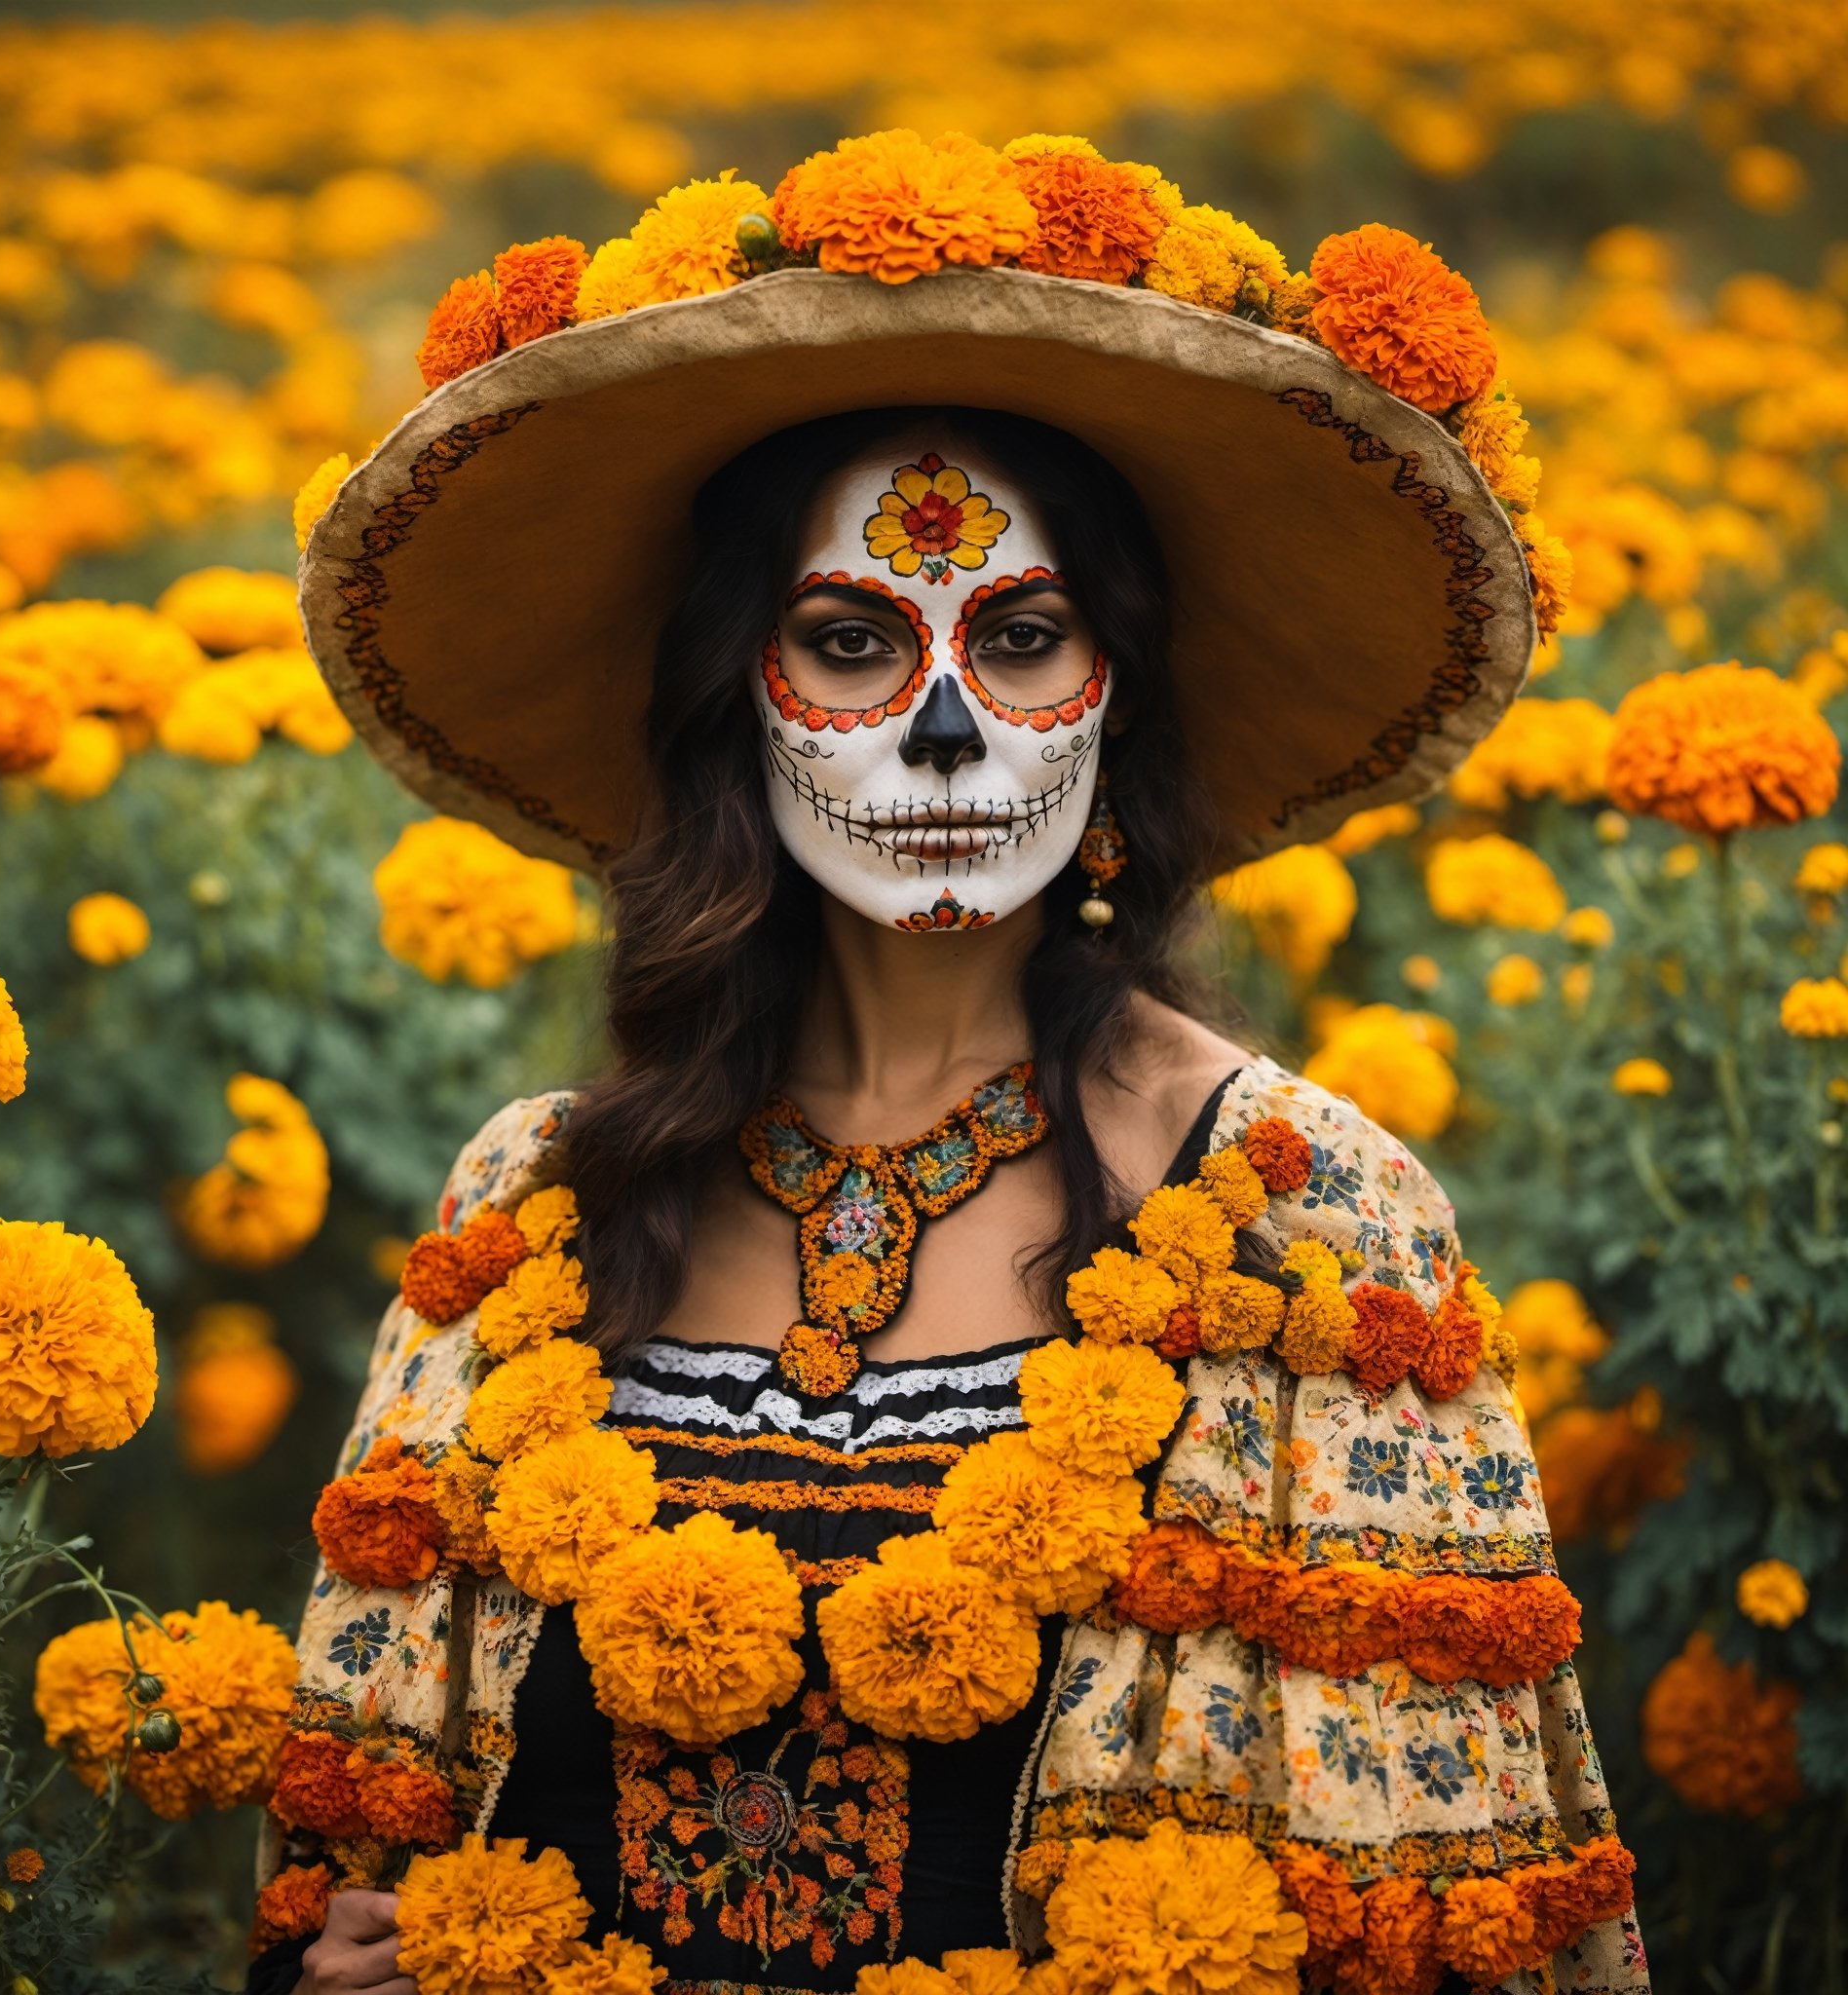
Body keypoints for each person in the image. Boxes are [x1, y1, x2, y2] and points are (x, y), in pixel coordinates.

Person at [251, 132, 1647, 1995]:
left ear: (1119, 693)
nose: (935, 736)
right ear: (724, 700)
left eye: (1022, 638)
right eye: (845, 643)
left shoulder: (1305, 1225)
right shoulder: (537, 1209)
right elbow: (363, 1837)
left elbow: (1457, 1929)